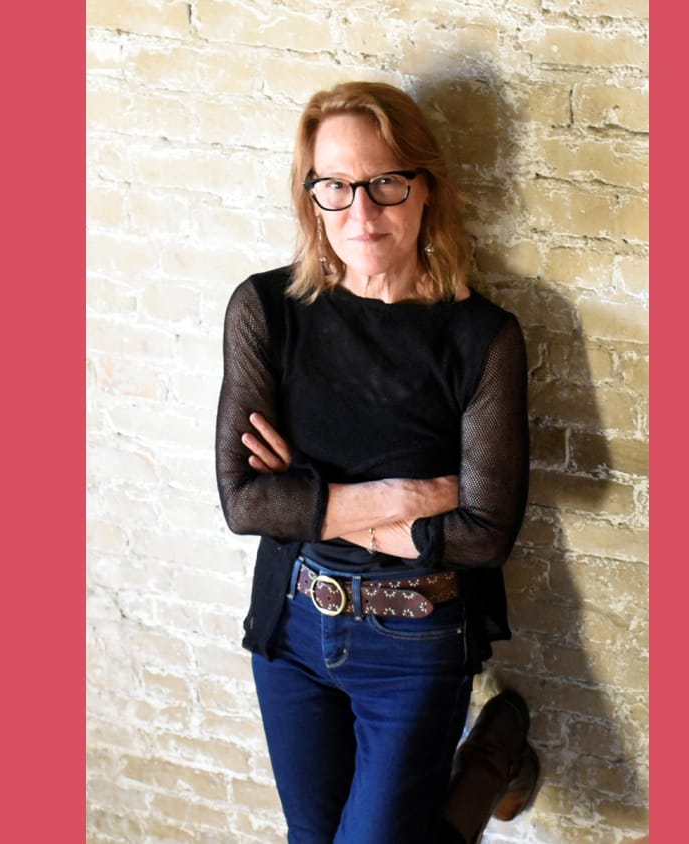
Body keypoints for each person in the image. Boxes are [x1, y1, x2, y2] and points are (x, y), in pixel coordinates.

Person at [215, 81, 538, 844]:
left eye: (385, 184)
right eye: (334, 187)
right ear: (311, 197)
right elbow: (242, 503)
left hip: (415, 638)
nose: (359, 214)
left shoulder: (482, 338)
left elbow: (486, 533)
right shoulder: (266, 310)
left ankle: (489, 758)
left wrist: (311, 496)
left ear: (426, 189)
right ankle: (497, 756)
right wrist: (409, 496)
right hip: (293, 626)